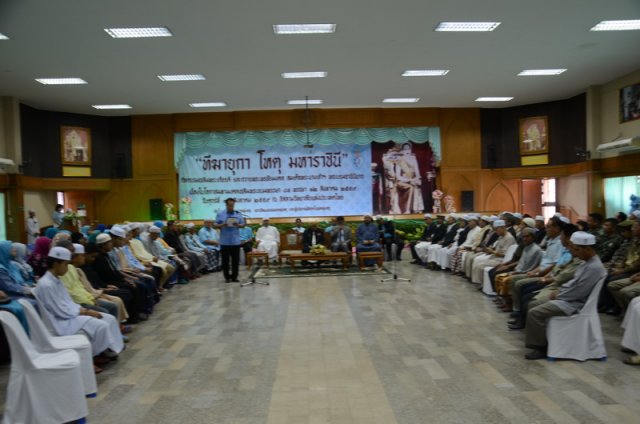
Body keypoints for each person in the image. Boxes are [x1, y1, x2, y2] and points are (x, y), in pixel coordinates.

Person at [524, 231, 606, 360]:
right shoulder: (586, 262)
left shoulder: (594, 267)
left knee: (535, 312)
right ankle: (541, 338)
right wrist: (560, 291)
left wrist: (559, 295)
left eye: (577, 250)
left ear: (588, 249)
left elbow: (579, 292)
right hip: (568, 297)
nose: (574, 253)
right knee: (532, 304)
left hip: (574, 303)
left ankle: (540, 348)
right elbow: (574, 284)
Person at [34, 246, 124, 360]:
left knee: (109, 318)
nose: (67, 269)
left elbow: (67, 302)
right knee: (101, 325)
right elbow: (59, 310)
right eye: (65, 264)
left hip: (70, 313)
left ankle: (109, 347)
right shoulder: (46, 284)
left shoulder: (56, 279)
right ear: (56, 263)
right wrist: (86, 312)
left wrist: (84, 311)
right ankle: (96, 354)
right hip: (61, 321)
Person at [382, 143, 424, 214]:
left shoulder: (414, 159)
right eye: (405, 149)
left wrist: (414, 180)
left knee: (415, 186)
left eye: (408, 148)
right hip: (401, 182)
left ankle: (414, 209)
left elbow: (418, 175)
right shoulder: (400, 160)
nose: (407, 150)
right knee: (411, 187)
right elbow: (398, 176)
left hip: (412, 180)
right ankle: (407, 210)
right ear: (402, 150)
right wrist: (409, 180)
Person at [214, 198, 245, 283]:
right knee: (225, 261)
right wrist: (222, 224)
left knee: (235, 261)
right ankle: (227, 278)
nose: (231, 207)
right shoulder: (220, 214)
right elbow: (215, 224)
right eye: (230, 205)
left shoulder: (238, 214)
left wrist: (238, 224)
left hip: (235, 241)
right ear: (226, 205)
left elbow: (242, 224)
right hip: (225, 241)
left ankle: (234, 277)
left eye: (233, 205)